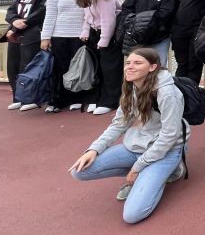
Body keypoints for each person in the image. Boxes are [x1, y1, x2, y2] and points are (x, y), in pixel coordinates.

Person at [69, 48, 188, 224]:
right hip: (137, 146)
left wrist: (136, 168)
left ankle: (167, 171)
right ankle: (149, 176)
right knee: (79, 172)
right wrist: (94, 149)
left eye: (137, 63)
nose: (129, 67)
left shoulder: (168, 94)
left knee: (132, 215)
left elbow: (169, 136)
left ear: (152, 67)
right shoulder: (132, 87)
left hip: (166, 151)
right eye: (128, 63)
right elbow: (119, 124)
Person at [70, 0, 124, 115]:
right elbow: (88, 16)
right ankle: (96, 98)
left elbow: (109, 21)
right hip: (95, 33)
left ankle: (110, 100)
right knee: (96, 68)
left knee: (110, 69)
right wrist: (85, 31)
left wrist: (104, 40)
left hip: (109, 35)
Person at [4, 0, 52, 111]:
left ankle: (31, 99)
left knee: (28, 65)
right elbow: (10, 11)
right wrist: (14, 21)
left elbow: (42, 12)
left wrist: (25, 22)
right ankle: (18, 97)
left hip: (33, 33)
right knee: (13, 66)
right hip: (15, 33)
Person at [40, 0, 86, 112]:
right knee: (60, 68)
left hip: (81, 36)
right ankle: (59, 99)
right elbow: (50, 15)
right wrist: (45, 37)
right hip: (59, 35)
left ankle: (77, 98)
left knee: (79, 68)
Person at [120, 0, 177, 67]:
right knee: (137, 69)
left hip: (159, 38)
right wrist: (135, 24)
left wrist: (139, 21)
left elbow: (164, 14)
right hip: (137, 38)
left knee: (158, 69)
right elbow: (126, 10)